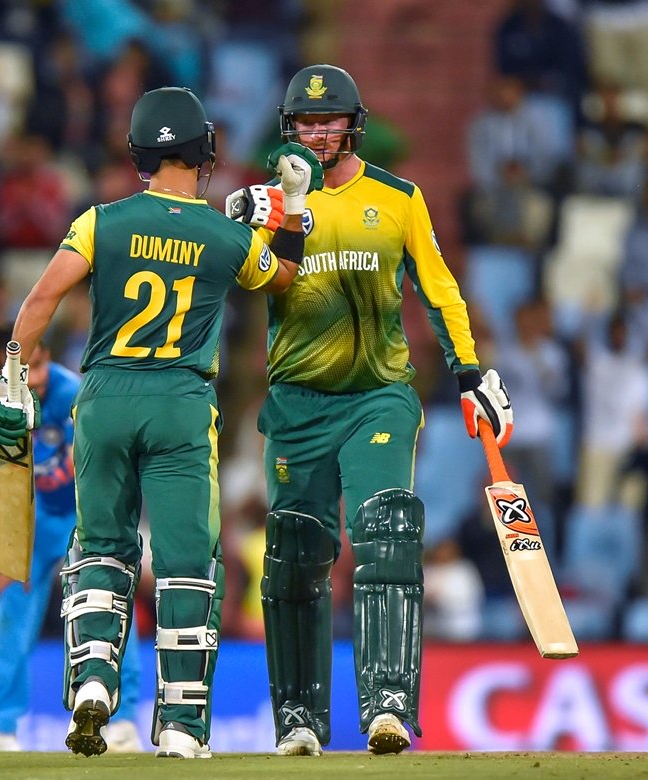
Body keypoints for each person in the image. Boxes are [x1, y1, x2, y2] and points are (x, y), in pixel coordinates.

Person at [0, 86, 319, 759]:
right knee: (186, 564)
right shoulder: (224, 235)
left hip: (102, 398)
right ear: (201, 153)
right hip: (180, 404)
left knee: (101, 548)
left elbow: (43, 296)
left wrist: (13, 372)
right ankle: (180, 729)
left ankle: (94, 686)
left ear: (140, 153)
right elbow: (283, 278)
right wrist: (293, 209)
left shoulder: (101, 220)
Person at [226, 64, 514, 756]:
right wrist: (278, 210)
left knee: (386, 527)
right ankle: (298, 720)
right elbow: (257, 276)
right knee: (295, 551)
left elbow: (439, 288)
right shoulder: (266, 204)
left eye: (328, 121)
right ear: (287, 129)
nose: (316, 133)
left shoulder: (399, 198)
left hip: (378, 397)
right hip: (296, 403)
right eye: (304, 122)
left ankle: (388, 704)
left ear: (353, 124)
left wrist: (470, 371)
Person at [0, 325, 143, 752]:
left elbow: (94, 471)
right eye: (26, 370)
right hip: (34, 517)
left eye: (40, 364)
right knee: (9, 607)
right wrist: (12, 547)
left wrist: (98, 539)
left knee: (108, 600)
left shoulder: (73, 393)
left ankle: (123, 720)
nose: (37, 378)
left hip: (85, 509)